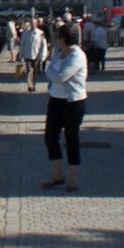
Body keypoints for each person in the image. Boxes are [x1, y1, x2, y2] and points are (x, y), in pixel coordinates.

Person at [42, 21, 88, 192]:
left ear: (64, 38)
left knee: (71, 140)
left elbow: (61, 77)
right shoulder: (58, 52)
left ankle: (72, 179)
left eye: (58, 36)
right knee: (50, 137)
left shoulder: (77, 56)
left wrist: (50, 73)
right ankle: (58, 175)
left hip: (72, 102)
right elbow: (52, 73)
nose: (55, 39)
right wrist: (51, 73)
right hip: (55, 100)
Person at [18, 18, 48, 92]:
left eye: (33, 23)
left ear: (36, 24)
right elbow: (22, 44)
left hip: (36, 55)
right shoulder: (26, 33)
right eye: (31, 23)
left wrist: (43, 56)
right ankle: (29, 86)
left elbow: (43, 45)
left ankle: (33, 85)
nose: (32, 25)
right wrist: (20, 55)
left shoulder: (40, 33)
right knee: (29, 71)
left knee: (34, 71)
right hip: (27, 55)